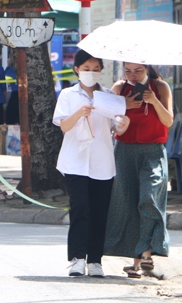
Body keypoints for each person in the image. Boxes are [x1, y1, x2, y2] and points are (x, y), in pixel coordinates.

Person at [53, 50, 130, 277]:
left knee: (99, 211)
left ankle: (95, 260)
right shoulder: (68, 95)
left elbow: (116, 128)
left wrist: (123, 124)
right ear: (77, 69)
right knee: (80, 208)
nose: (91, 73)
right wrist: (79, 113)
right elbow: (64, 126)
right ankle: (77, 258)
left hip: (102, 163)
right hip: (74, 162)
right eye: (86, 69)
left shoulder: (108, 96)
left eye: (96, 70)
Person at [105, 62, 173, 278]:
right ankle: (139, 259)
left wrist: (154, 101)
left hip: (153, 150)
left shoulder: (160, 87)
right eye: (128, 71)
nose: (132, 75)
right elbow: (108, 123)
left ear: (147, 68)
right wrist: (122, 106)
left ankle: (148, 249)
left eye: (138, 71)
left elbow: (168, 120)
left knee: (149, 197)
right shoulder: (119, 88)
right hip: (125, 151)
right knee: (128, 202)